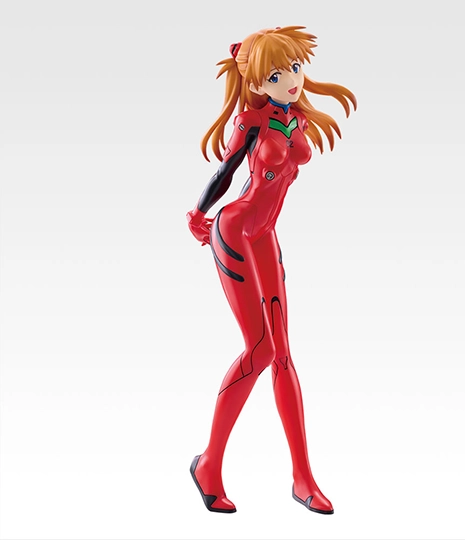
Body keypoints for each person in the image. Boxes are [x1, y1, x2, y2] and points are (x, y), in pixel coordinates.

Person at [186, 25, 356, 514]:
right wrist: (198, 213)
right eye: (277, 75)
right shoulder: (251, 121)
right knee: (259, 349)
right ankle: (209, 465)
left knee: (282, 353)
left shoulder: (294, 118)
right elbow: (225, 171)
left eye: (295, 68)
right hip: (235, 231)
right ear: (258, 82)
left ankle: (303, 478)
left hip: (265, 235)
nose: (292, 80)